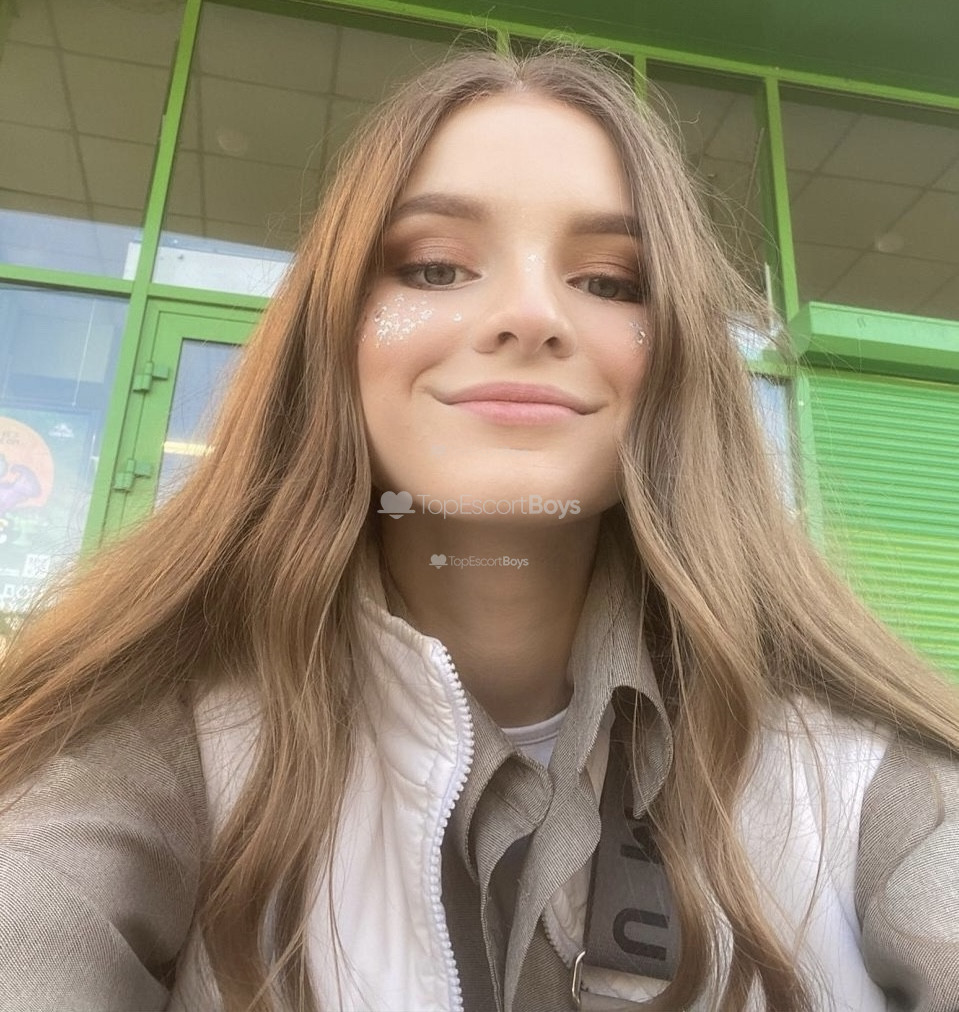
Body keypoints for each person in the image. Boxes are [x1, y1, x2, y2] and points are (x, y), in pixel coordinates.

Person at [1, 46, 957, 1012]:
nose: (530, 315)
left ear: (679, 364)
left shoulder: (869, 778)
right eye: (434, 266)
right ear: (328, 337)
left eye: (610, 281)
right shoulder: (141, 751)